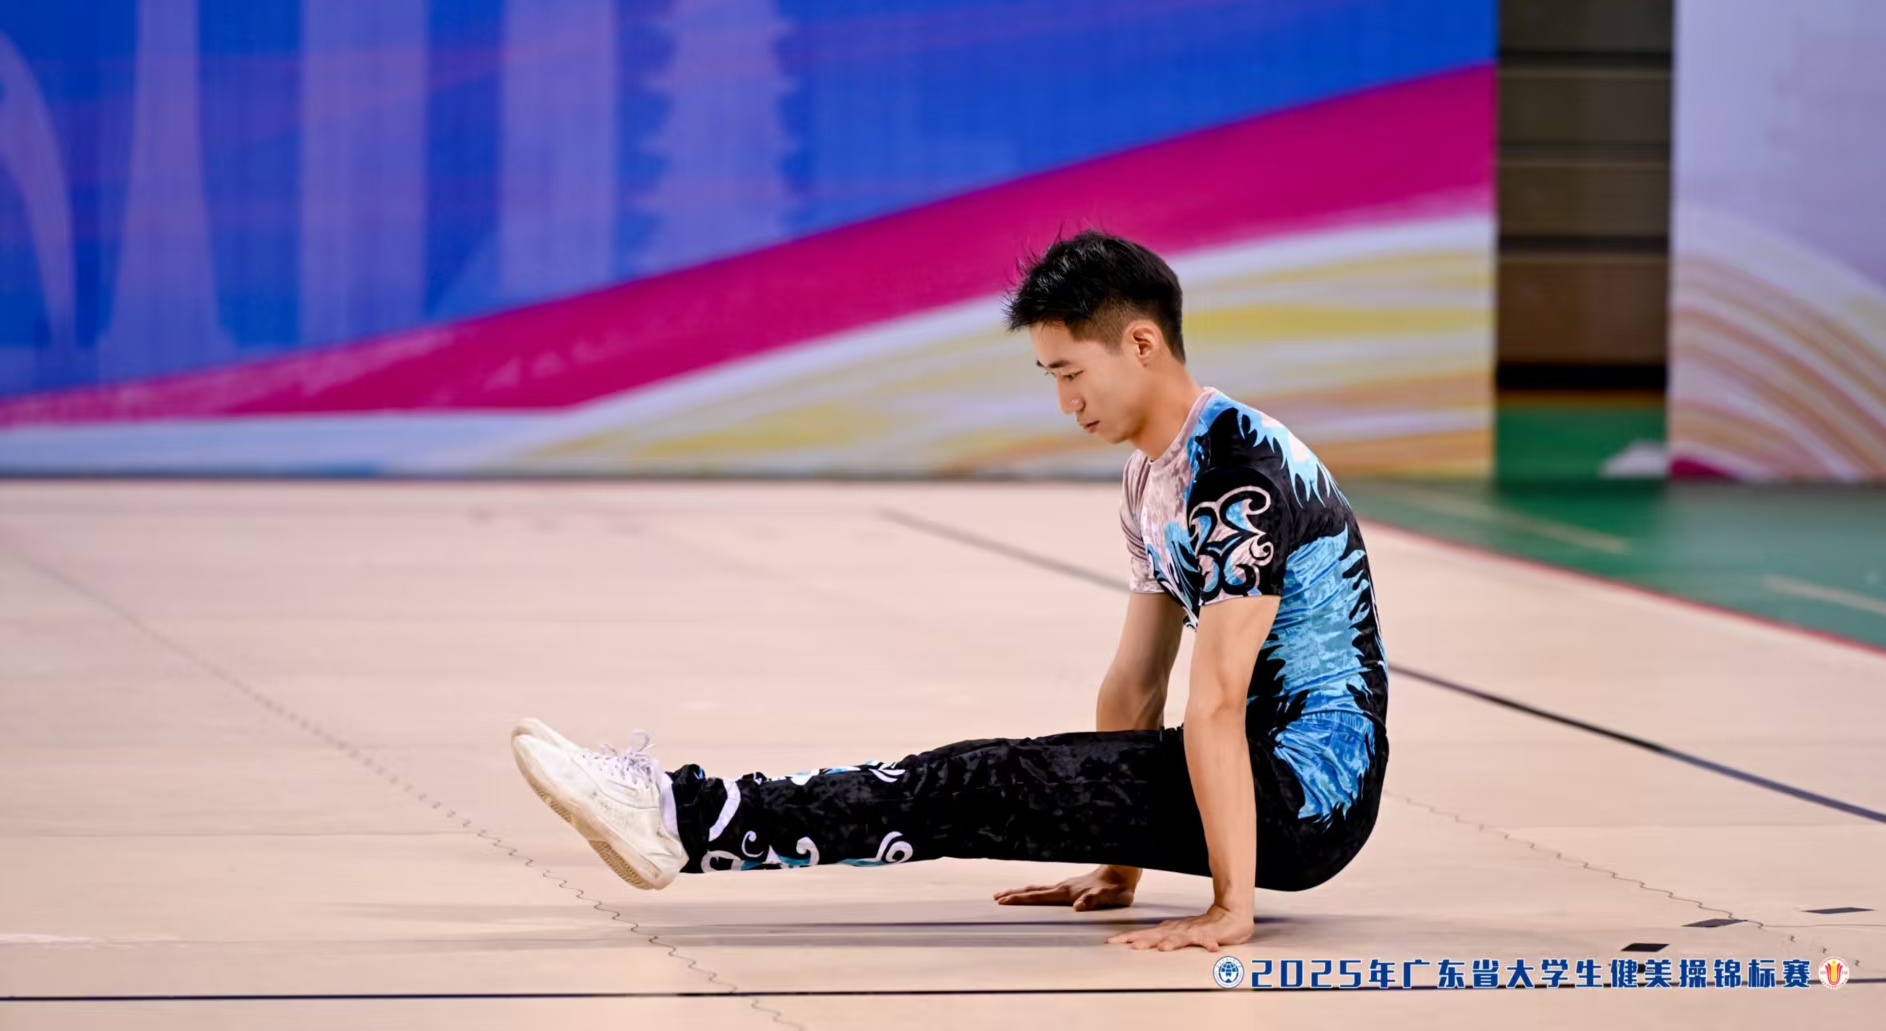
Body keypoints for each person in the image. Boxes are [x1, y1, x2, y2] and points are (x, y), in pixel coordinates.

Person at [510, 231, 1389, 953]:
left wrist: (1230, 906)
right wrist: (1116, 861)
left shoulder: (1238, 473)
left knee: (979, 779)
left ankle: (678, 817)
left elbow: (1219, 698)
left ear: (1141, 344)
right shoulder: (1148, 476)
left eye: (1070, 372)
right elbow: (1135, 683)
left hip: (1308, 793)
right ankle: (683, 817)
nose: (1065, 402)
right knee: (990, 777)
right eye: (1050, 378)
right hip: (1250, 772)